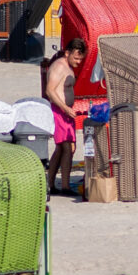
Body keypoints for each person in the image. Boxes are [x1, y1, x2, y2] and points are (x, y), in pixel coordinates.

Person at [38, 37, 88, 195]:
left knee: (61, 149)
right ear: (67, 53)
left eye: (80, 59)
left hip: (65, 111)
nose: (78, 62)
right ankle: (65, 186)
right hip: (59, 111)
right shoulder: (59, 66)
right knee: (68, 147)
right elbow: (50, 90)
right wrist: (66, 108)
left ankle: (51, 184)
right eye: (76, 58)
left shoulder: (68, 66)